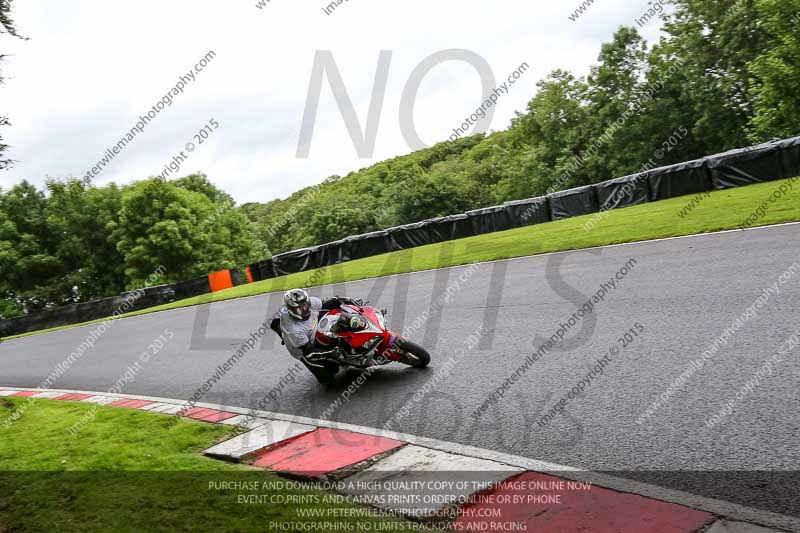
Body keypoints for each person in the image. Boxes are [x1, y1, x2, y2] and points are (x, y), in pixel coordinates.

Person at [275, 288, 364, 384]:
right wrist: (331, 353)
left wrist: (345, 300)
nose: (305, 309)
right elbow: (309, 352)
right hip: (304, 349)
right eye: (300, 309)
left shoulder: (309, 302)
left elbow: (328, 303)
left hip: (314, 324)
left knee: (339, 315)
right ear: (292, 310)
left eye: (305, 305)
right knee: (328, 378)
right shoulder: (294, 330)